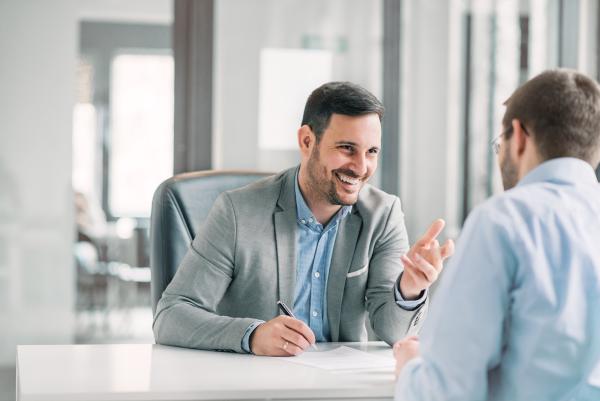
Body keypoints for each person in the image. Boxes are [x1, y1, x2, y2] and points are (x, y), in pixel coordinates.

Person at [153, 82, 453, 356]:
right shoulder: (236, 211)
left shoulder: (382, 215)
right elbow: (171, 315)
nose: (361, 167)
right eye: (347, 148)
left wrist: (409, 288)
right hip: (254, 387)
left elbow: (393, 332)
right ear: (308, 141)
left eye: (371, 151)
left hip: (338, 389)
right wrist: (252, 335)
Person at [394, 69, 600, 400]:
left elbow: (448, 392)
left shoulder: (503, 221)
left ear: (518, 136)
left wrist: (411, 370)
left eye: (499, 142)